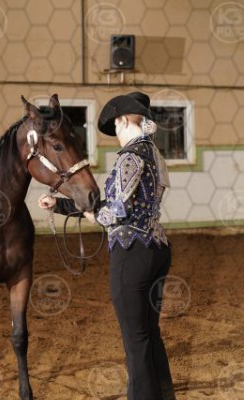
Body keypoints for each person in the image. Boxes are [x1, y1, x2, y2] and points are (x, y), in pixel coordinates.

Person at [38, 92, 176, 400]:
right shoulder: (154, 153)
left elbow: (115, 211)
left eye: (115, 126)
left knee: (135, 338)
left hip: (132, 253)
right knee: (148, 332)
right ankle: (163, 394)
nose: (115, 132)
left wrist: (94, 215)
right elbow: (123, 205)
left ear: (124, 120)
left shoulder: (130, 156)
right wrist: (61, 205)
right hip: (156, 247)